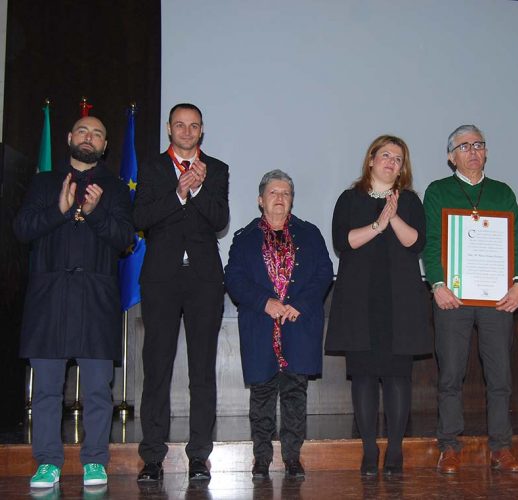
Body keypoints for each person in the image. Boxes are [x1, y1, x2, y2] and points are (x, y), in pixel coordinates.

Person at [14, 116, 134, 489]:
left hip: (96, 300)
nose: (89, 137)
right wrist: (59, 209)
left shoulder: (115, 188)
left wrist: (96, 214)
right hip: (49, 300)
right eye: (83, 131)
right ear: (69, 138)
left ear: (105, 145)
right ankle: (48, 462)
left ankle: (95, 460)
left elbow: (125, 240)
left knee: (99, 389)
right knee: (48, 389)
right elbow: (22, 229)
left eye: (98, 133)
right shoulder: (44, 182)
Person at [423, 125, 518, 474]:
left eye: (479, 145)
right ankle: (449, 446)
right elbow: (433, 242)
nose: (472, 151)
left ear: (486, 152)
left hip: (498, 298)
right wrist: (437, 284)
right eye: (464, 146)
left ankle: (501, 446)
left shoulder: (502, 192)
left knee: (500, 376)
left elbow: (517, 243)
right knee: (451, 373)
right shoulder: (438, 191)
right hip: (453, 297)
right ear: (451, 157)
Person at [134, 103, 229, 482]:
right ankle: (152, 457)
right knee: (157, 368)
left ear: (202, 130)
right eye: (180, 125)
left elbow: (219, 220)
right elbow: (140, 219)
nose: (187, 131)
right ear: (169, 129)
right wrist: (177, 193)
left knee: (202, 371)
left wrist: (201, 188)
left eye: (193, 126)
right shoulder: (153, 168)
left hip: (204, 280)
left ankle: (198, 457)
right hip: (161, 279)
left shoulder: (216, 169)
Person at [326, 135, 431, 476]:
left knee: (398, 377)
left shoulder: (411, 200)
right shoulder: (349, 198)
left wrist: (394, 216)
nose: (391, 162)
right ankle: (370, 450)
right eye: (385, 155)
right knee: (364, 378)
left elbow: (416, 243)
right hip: (359, 301)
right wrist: (377, 224)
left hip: (399, 302)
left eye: (398, 158)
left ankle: (396, 450)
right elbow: (343, 242)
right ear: (371, 160)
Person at [225, 170, 333, 478]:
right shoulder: (244, 239)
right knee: (261, 396)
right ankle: (261, 458)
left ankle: (293, 457)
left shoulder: (310, 233)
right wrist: (264, 302)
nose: (280, 198)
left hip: (299, 326)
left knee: (295, 395)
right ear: (260, 200)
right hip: (260, 327)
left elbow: (324, 272)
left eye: (286, 193)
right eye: (273, 193)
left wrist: (300, 303)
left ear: (292, 201)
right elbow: (234, 278)